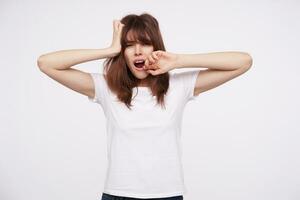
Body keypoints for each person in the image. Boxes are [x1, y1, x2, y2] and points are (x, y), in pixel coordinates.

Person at [37, 13, 252, 200]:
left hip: (167, 195)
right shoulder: (105, 87)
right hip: (118, 194)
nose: (138, 51)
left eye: (145, 43)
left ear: (156, 47)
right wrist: (109, 50)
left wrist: (178, 60)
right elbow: (46, 63)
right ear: (123, 52)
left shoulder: (179, 86)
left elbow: (243, 61)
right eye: (129, 45)